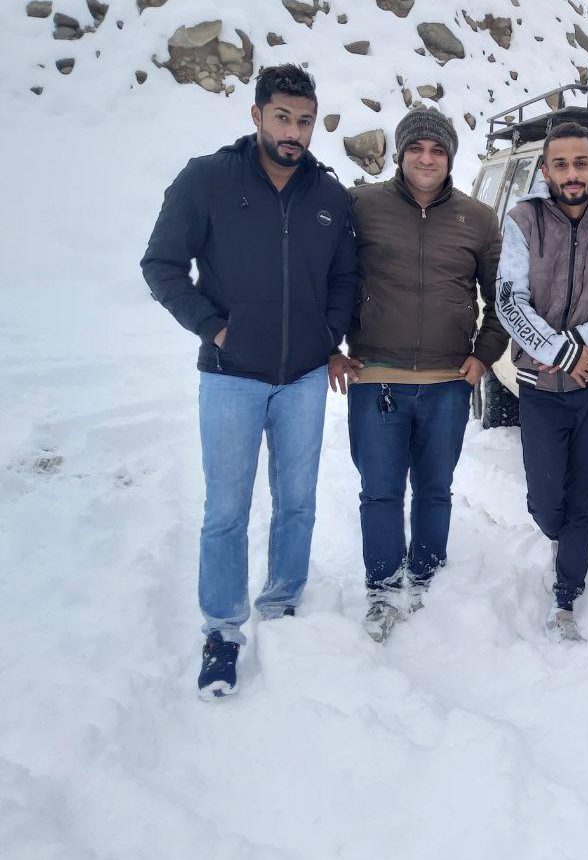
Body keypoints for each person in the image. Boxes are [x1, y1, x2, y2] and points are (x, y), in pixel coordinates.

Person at [140, 64, 359, 699]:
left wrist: (329, 336)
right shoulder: (208, 179)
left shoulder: (329, 194)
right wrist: (214, 328)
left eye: (305, 122)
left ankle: (283, 602)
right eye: (283, 117)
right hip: (230, 378)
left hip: (304, 378)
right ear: (257, 115)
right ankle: (221, 629)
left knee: (297, 501)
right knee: (226, 510)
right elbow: (161, 265)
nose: (294, 132)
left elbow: (345, 276)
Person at [329, 107, 507, 643]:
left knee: (434, 487)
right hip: (375, 376)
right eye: (416, 148)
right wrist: (330, 347)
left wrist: (485, 355)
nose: (426, 159)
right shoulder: (361, 206)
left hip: (448, 381)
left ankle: (427, 576)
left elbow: (503, 298)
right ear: (400, 154)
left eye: (437, 150)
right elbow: (328, 278)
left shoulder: (478, 219)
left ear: (450, 157)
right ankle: (383, 587)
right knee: (380, 490)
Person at [494, 122, 588, 643]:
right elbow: (508, 300)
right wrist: (560, 354)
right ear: (545, 170)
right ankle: (558, 539)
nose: (571, 174)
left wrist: (584, 346)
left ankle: (566, 595)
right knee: (545, 502)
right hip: (540, 384)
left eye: (581, 163)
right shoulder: (522, 220)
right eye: (560, 164)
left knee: (583, 496)